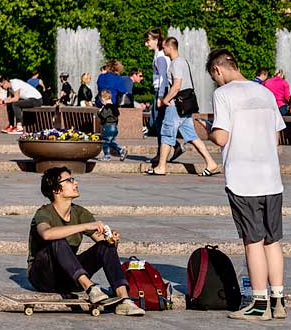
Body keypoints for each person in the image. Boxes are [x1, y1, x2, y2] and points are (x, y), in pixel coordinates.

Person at [207, 48, 287, 320]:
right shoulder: (264, 92)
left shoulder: (223, 95)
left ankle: (259, 304)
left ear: (217, 70)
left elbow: (221, 137)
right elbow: (277, 137)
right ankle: (278, 301)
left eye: (214, 77)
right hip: (272, 179)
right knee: (273, 241)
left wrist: (205, 129)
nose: (216, 82)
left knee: (253, 241)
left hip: (243, 180)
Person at [25, 166, 143, 315]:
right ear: (56, 190)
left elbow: (102, 242)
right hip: (43, 276)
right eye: (69, 180)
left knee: (105, 246)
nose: (76, 183)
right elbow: (46, 234)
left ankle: (124, 299)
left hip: (70, 276)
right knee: (57, 240)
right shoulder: (43, 213)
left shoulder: (79, 212)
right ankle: (91, 288)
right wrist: (85, 226)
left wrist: (112, 240)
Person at [148, 36, 217, 176]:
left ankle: (161, 167)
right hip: (184, 106)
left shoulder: (176, 63)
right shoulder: (183, 62)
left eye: (164, 47)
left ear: (170, 47)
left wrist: (166, 100)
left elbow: (177, 85)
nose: (163, 49)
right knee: (192, 136)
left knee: (166, 134)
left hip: (175, 106)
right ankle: (211, 162)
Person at [97, 84, 125, 159]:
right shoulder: (115, 107)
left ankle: (107, 156)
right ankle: (121, 150)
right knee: (110, 142)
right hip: (114, 127)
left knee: (105, 142)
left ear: (103, 99)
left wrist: (99, 112)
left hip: (108, 127)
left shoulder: (107, 107)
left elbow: (102, 115)